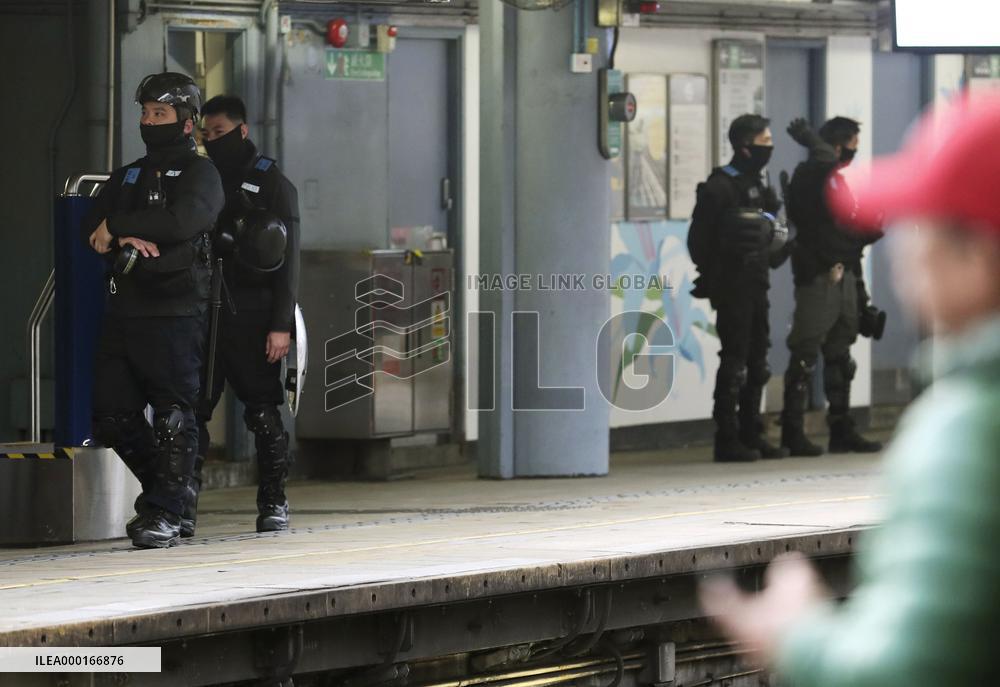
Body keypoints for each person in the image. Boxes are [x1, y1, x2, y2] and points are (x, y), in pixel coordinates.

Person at [700, 91, 1000, 686]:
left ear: (977, 253)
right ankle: (764, 431)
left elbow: (908, 671)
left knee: (807, 362)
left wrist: (797, 637)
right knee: (776, 361)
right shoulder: (736, 187)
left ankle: (793, 428)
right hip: (760, 285)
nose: (906, 250)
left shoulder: (972, 428)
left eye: (922, 226)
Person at [84, 73, 224, 548]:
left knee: (173, 415)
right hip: (125, 308)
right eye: (144, 113)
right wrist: (121, 233)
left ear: (185, 122)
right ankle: (174, 496)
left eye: (159, 113)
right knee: (111, 415)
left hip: (176, 311)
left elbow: (182, 220)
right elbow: (92, 229)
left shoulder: (201, 174)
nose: (148, 121)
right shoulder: (127, 175)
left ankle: (164, 512)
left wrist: (119, 224)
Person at [188, 94, 300, 535]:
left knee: (262, 410)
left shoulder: (271, 183)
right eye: (206, 134)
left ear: (242, 130)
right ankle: (181, 505)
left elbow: (289, 263)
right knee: (192, 410)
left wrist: (280, 325)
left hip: (253, 312)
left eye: (219, 132)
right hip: (204, 308)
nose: (212, 140)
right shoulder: (201, 177)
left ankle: (274, 500)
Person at [689, 114, 790, 462]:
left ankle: (752, 432)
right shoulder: (720, 187)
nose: (770, 148)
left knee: (758, 359)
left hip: (757, 283)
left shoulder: (759, 187)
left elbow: (771, 239)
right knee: (735, 360)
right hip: (731, 285)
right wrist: (716, 272)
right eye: (765, 142)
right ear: (745, 146)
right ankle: (727, 437)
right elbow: (698, 241)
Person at [780, 117, 884, 456]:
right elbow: (822, 227)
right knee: (805, 352)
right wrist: (814, 142)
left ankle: (841, 429)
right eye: (851, 146)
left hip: (846, 274)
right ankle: (792, 431)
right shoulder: (810, 177)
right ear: (836, 147)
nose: (854, 153)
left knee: (841, 357)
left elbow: (849, 231)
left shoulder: (838, 181)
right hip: (819, 276)